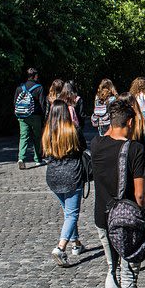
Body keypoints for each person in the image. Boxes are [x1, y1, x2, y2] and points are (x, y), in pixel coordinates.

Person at [90, 100, 145, 288]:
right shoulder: (135, 150)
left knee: (111, 269)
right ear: (130, 122)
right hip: (126, 222)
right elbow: (139, 195)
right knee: (129, 278)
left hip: (102, 219)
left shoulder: (95, 144)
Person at [42, 100, 87, 267]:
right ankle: (61, 248)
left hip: (53, 176)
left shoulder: (47, 132)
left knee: (67, 211)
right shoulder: (72, 130)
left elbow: (43, 153)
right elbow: (83, 147)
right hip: (72, 175)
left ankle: (76, 243)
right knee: (72, 213)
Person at [14, 67, 47, 170]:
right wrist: (44, 118)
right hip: (35, 116)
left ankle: (21, 159)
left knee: (23, 137)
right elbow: (43, 105)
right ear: (35, 76)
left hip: (23, 116)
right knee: (37, 137)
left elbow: (15, 102)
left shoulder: (20, 88)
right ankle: (38, 160)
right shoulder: (39, 88)